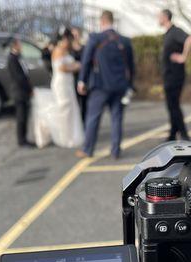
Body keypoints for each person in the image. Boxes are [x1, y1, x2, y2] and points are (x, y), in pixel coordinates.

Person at [76, 10, 135, 159]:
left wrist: (82, 80)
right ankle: (115, 151)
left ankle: (88, 150)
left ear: (101, 21)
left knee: (93, 118)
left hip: (100, 86)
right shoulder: (124, 41)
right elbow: (132, 66)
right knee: (117, 118)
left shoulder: (95, 38)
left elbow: (86, 61)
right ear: (112, 21)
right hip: (120, 86)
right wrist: (130, 85)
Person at [43, 27, 84, 148]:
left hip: (67, 83)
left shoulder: (65, 51)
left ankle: (71, 134)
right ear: (64, 39)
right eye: (69, 40)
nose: (70, 43)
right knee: (64, 109)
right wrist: (76, 66)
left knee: (70, 109)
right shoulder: (58, 51)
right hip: (61, 84)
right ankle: (64, 136)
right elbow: (62, 68)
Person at [158, 9, 191, 141]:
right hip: (169, 76)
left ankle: (184, 135)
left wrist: (183, 56)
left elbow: (190, 39)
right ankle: (173, 134)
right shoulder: (168, 34)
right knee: (171, 105)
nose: (157, 19)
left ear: (165, 17)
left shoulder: (175, 31)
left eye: (159, 17)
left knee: (173, 105)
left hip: (175, 76)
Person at [7, 38, 35, 147]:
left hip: (23, 91)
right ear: (14, 45)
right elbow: (19, 78)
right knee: (21, 116)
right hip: (19, 91)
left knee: (25, 115)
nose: (21, 46)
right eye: (19, 44)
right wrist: (29, 89)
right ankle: (21, 140)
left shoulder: (18, 57)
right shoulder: (12, 59)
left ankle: (25, 138)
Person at [70, 27, 87, 123]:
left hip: (82, 78)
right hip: (71, 79)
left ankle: (84, 125)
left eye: (76, 35)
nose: (75, 37)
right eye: (73, 35)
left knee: (84, 104)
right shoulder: (68, 49)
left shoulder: (84, 48)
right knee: (74, 104)